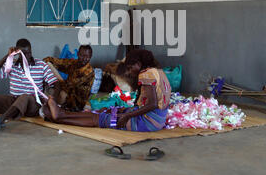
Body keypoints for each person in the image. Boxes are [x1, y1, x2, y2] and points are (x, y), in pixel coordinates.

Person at [41, 49, 171, 132]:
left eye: (131, 67)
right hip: (157, 120)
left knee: (100, 119)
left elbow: (152, 104)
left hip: (147, 122)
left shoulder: (146, 74)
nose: (131, 72)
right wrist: (124, 111)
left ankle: (60, 117)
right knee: (109, 111)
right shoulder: (158, 71)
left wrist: (126, 116)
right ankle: (61, 114)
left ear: (139, 63)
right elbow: (148, 104)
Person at [0, 38, 58, 131]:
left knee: (25, 96)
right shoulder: (12, 65)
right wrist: (7, 56)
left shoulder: (41, 65)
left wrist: (51, 98)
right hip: (14, 102)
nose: (27, 56)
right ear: (18, 54)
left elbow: (55, 83)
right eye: (24, 54)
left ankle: (1, 120)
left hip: (32, 104)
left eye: (29, 52)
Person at [43, 45, 94, 112]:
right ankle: (53, 104)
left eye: (87, 56)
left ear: (90, 57)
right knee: (48, 66)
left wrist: (54, 76)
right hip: (68, 92)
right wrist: (45, 63)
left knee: (61, 92)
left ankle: (55, 105)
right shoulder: (74, 63)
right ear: (78, 54)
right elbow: (56, 61)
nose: (84, 58)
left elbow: (68, 85)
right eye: (82, 55)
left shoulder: (88, 72)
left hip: (77, 103)